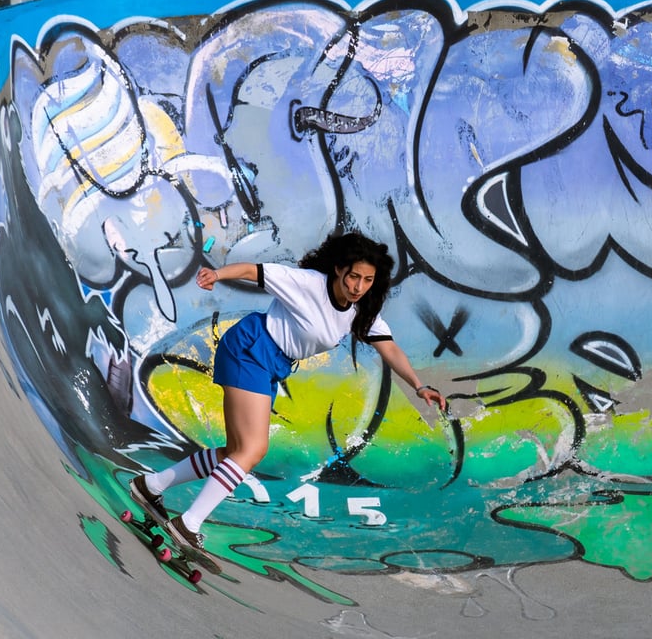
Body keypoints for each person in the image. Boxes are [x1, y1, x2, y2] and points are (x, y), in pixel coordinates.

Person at [129, 232, 446, 551]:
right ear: (339, 269)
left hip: (272, 363)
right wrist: (217, 274)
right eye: (353, 277)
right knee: (252, 450)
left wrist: (419, 387)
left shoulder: (361, 310)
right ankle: (189, 524)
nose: (358, 287)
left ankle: (150, 485)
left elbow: (388, 348)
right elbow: (254, 272)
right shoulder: (308, 283)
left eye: (367, 280)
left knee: (236, 451)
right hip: (250, 348)